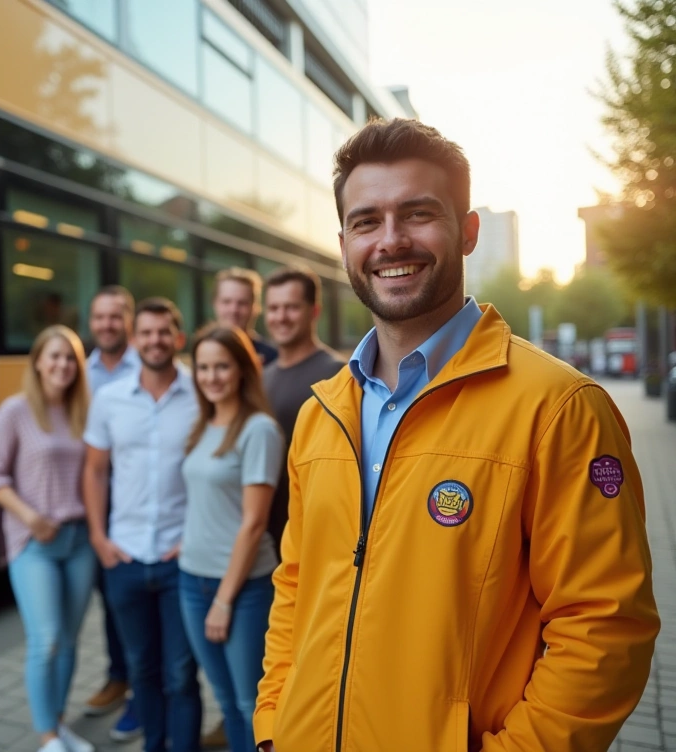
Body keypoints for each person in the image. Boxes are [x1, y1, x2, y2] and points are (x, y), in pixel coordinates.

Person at [253, 118, 659, 752]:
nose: (391, 241)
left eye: (417, 214)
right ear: (342, 243)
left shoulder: (559, 408)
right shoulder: (322, 413)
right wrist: (274, 726)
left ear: (468, 233)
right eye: (366, 222)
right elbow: (295, 586)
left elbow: (606, 627)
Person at [83, 297, 202, 752]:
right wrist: (98, 537)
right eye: (146, 333)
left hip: (181, 559)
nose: (154, 341)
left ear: (178, 338)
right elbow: (95, 470)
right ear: (135, 340)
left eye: (163, 332)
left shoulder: (200, 395)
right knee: (142, 671)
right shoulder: (110, 400)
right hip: (125, 557)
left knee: (180, 674)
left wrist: (194, 538)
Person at [0, 325, 99, 752]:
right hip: (35, 544)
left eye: (70, 358)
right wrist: (31, 517)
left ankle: (59, 724)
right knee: (45, 639)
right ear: (38, 362)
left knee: (69, 641)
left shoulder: (85, 411)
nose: (62, 365)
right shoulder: (15, 411)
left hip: (80, 540)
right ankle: (46, 737)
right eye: (54, 357)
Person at [178, 325, 283, 752]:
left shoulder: (258, 430)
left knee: (247, 703)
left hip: (243, 588)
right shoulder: (202, 424)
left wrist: (224, 599)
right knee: (222, 698)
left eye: (221, 366)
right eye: (202, 367)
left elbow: (254, 523)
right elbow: (204, 499)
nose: (211, 376)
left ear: (242, 370)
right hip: (191, 579)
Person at [81, 286, 142, 742]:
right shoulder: (80, 374)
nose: (106, 325)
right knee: (112, 603)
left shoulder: (148, 369)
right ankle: (117, 677)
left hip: (142, 513)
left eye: (114, 317)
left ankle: (142, 693)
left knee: (144, 615)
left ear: (129, 321)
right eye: (99, 317)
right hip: (101, 510)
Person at [260, 266, 344, 554]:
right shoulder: (262, 377)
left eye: (291, 307)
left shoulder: (337, 376)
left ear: (314, 311)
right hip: (262, 538)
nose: (280, 317)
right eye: (273, 308)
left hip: (310, 539)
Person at [212, 268, 278, 367]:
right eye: (226, 302)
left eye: (242, 303)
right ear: (215, 304)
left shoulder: (272, 358)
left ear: (256, 307)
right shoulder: (203, 352)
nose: (234, 310)